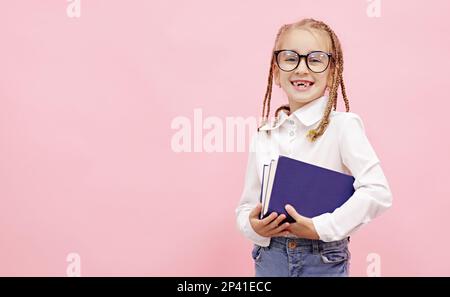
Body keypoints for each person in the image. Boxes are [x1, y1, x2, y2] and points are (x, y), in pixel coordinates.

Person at [235, 18, 393, 277]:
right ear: (275, 71)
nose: (301, 69)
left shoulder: (343, 126)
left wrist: (322, 227)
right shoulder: (265, 134)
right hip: (269, 257)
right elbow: (246, 207)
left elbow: (377, 192)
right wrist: (254, 227)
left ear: (333, 72)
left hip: (322, 258)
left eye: (316, 59)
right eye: (290, 58)